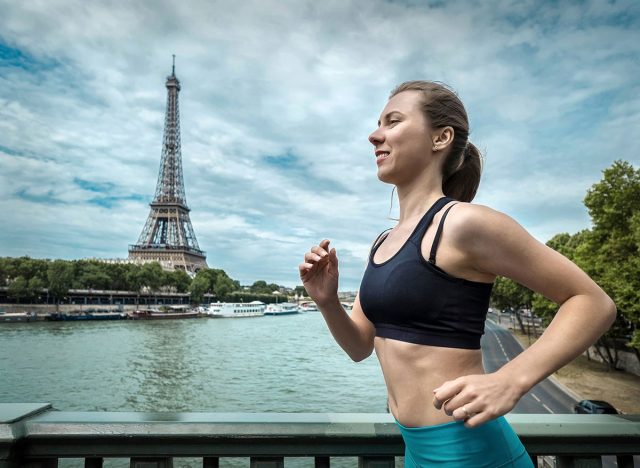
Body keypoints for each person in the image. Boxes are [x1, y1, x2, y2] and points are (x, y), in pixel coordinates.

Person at [298, 80, 616, 467]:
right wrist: (327, 302)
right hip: (416, 452)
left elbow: (593, 303)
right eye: (378, 123)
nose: (374, 135)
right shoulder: (383, 242)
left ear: (441, 138)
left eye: (393, 121)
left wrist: (510, 379)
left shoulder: (464, 224)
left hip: (472, 454)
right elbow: (360, 347)